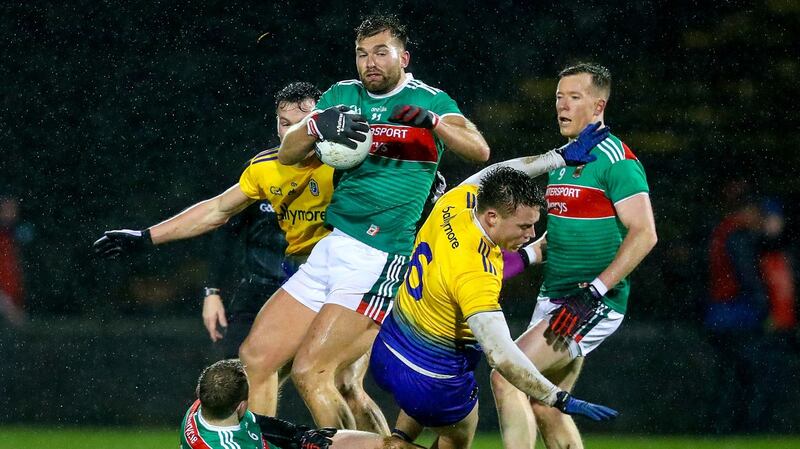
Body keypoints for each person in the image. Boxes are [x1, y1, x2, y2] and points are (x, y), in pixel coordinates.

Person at [241, 14, 490, 430]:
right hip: (332, 245)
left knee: (312, 373)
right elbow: (288, 153)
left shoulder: (431, 100)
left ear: (403, 57)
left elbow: (479, 149)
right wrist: (318, 123)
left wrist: (433, 124)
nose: (369, 62)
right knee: (256, 356)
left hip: (379, 256)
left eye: (380, 52)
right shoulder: (342, 95)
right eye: (362, 54)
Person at [93, 82, 384, 428]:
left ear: (321, 121)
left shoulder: (349, 161)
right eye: (283, 122)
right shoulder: (265, 167)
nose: (291, 130)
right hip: (309, 276)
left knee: (340, 383)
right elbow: (217, 210)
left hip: (359, 275)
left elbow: (402, 184)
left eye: (303, 120)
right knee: (256, 363)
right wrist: (144, 237)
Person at [371, 166, 617, 449]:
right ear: (492, 217)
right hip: (433, 381)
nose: (531, 232)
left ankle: (399, 439)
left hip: (387, 351)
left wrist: (553, 158)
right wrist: (557, 397)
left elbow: (497, 171)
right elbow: (501, 355)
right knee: (456, 435)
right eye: (524, 226)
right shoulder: (477, 273)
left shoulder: (456, 202)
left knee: (414, 413)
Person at [491, 62, 658, 449]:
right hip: (557, 295)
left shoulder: (617, 160)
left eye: (574, 97)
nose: (562, 106)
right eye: (558, 97)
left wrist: (594, 292)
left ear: (598, 107)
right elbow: (561, 234)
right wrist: (517, 261)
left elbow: (645, 233)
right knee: (546, 405)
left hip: (588, 300)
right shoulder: (562, 160)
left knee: (507, 376)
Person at [181, 359, 419, 449]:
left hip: (295, 443)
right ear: (242, 405)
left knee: (388, 447)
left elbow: (258, 426)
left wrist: (298, 436)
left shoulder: (200, 410)